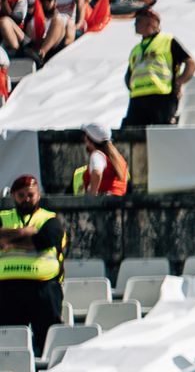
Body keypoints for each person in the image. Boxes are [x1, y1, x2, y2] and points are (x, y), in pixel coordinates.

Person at [0, 174, 66, 357]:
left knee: (47, 340)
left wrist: (10, 242)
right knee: (9, 342)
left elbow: (45, 240)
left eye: (31, 195)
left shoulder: (50, 219)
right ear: (13, 196)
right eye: (21, 195)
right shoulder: (3, 216)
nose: (27, 199)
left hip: (44, 289)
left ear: (38, 194)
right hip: (8, 289)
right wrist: (23, 232)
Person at [123, 5, 195, 126]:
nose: (135, 24)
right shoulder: (136, 49)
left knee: (162, 133)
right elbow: (129, 74)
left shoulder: (167, 40)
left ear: (151, 22)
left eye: (139, 20)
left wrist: (179, 82)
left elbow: (191, 63)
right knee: (131, 134)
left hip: (161, 96)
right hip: (138, 98)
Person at [77, 123, 128, 198]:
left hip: (104, 204)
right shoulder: (118, 158)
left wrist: (91, 197)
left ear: (89, 140)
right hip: (118, 203)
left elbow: (97, 172)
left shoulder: (97, 155)